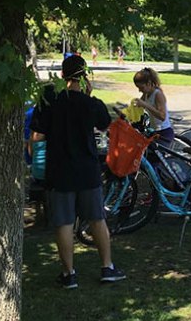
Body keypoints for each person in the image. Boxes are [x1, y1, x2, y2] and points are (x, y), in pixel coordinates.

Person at [30, 55, 126, 288]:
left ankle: (69, 273)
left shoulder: (49, 99)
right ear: (85, 75)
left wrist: (36, 160)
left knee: (63, 223)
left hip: (59, 170)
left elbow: (36, 137)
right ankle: (107, 267)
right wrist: (88, 96)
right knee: (96, 219)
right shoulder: (91, 103)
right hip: (87, 170)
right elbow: (104, 125)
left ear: (62, 75)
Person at [131, 67, 173, 143]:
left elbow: (162, 116)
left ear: (149, 83)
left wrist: (145, 105)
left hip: (163, 132)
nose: (140, 90)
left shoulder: (158, 94)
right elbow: (139, 105)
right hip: (154, 131)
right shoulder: (146, 93)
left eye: (141, 87)